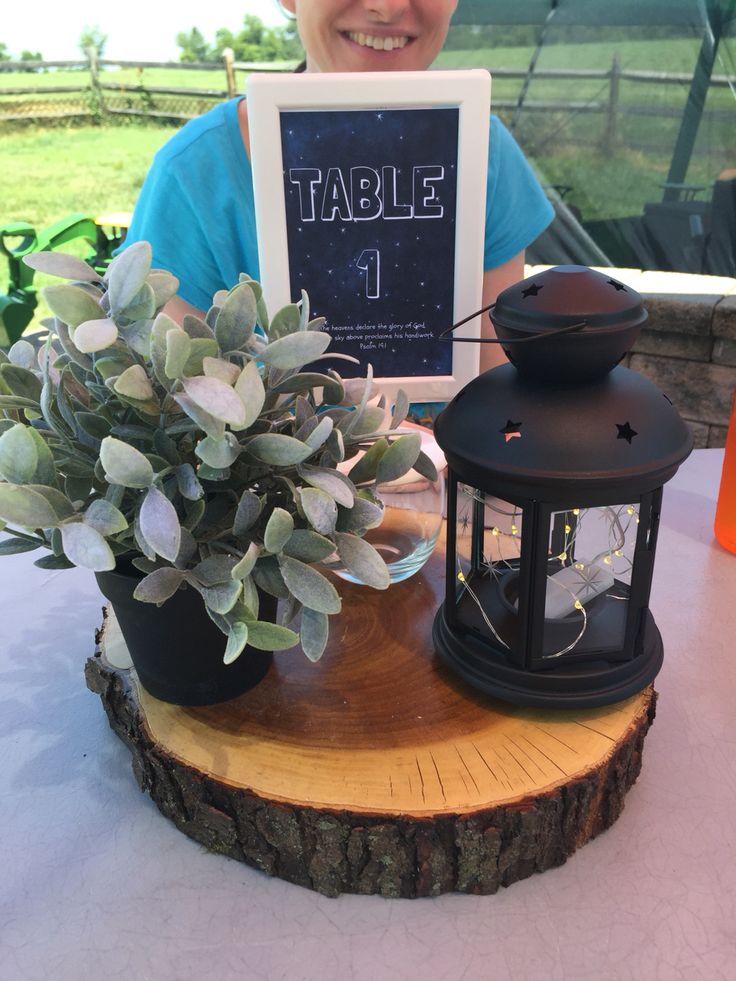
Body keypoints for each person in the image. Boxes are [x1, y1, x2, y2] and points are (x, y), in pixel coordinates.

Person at [123, 0, 553, 373]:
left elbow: (496, 381)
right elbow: (177, 398)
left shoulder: (486, 152)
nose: (388, 7)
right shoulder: (195, 173)